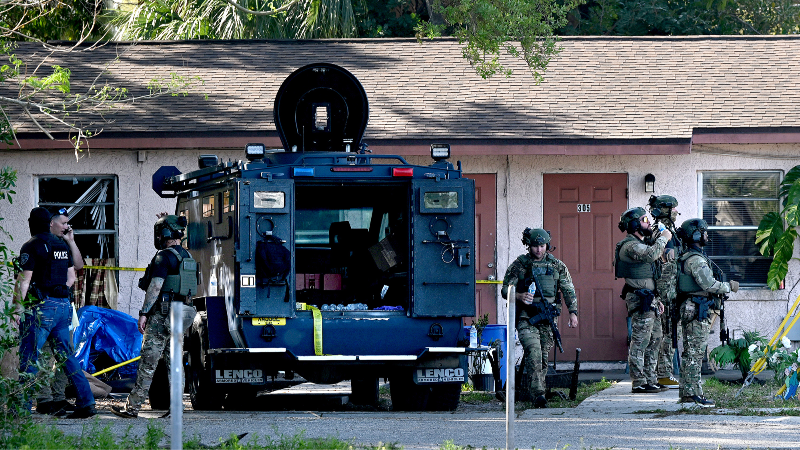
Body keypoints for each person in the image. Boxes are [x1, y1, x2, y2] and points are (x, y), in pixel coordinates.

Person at [14, 207, 96, 418]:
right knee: (67, 358)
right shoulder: (61, 245)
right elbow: (71, 278)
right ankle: (87, 403)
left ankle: (20, 411)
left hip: (42, 307)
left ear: (32, 223)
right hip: (63, 307)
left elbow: (24, 281)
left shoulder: (31, 246)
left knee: (30, 358)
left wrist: (16, 308)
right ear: (49, 223)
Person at [112, 214, 196, 418]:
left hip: (161, 315)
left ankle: (132, 407)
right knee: (175, 363)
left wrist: (144, 313)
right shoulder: (188, 257)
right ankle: (177, 407)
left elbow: (155, 287)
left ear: (164, 234)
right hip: (180, 315)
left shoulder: (163, 257)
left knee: (148, 362)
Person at [501, 228, 578, 408]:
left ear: (547, 245)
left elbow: (568, 290)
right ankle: (538, 396)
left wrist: (573, 312)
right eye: (535, 246)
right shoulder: (520, 265)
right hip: (526, 317)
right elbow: (505, 289)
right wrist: (519, 296)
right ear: (529, 246)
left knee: (543, 357)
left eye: (542, 246)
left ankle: (536, 390)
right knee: (534, 352)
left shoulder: (557, 265)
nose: (538, 250)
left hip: (547, 318)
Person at [675, 218, 738, 407]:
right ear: (696, 235)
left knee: (690, 353)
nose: (707, 235)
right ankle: (695, 394)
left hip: (693, 307)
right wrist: (729, 287)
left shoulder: (690, 256)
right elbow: (708, 284)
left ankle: (687, 392)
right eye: (704, 232)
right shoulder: (695, 259)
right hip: (697, 309)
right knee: (695, 353)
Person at [35, 208, 86, 416]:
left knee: (66, 355)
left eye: (68, 223)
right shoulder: (39, 244)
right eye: (64, 223)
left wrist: (71, 241)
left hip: (63, 306)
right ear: (51, 223)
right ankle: (44, 399)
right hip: (45, 306)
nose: (67, 227)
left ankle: (59, 397)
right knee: (45, 355)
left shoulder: (63, 245)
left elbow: (78, 268)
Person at [615, 207, 670, 394]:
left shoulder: (642, 243)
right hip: (639, 298)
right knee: (640, 341)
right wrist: (664, 237)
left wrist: (657, 298)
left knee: (655, 338)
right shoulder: (630, 246)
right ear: (635, 224)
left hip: (650, 298)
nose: (648, 222)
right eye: (644, 219)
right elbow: (651, 254)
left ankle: (650, 378)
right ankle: (638, 381)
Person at [647, 195, 682, 390]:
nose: (677, 211)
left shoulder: (671, 231)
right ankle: (662, 374)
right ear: (666, 210)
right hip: (664, 291)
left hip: (672, 290)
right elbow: (661, 259)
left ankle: (663, 373)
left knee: (670, 333)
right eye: (674, 208)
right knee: (665, 334)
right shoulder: (660, 233)